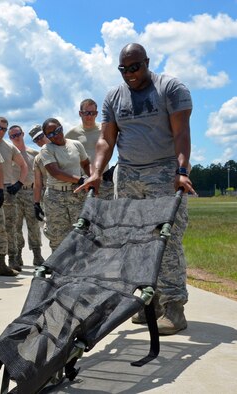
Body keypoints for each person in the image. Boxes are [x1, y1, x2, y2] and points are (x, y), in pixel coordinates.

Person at [76, 43, 195, 335]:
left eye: (135, 67)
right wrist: (96, 173)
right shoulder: (114, 97)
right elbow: (106, 140)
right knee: (133, 242)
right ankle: (148, 303)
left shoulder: (170, 88)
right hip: (128, 173)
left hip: (164, 171)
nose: (130, 74)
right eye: (123, 69)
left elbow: (181, 132)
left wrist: (181, 171)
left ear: (147, 62)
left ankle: (173, 308)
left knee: (165, 240)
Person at [39, 118, 90, 252]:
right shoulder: (47, 149)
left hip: (77, 195)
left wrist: (91, 179)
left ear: (61, 127)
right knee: (57, 235)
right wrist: (80, 180)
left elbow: (85, 163)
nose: (55, 135)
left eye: (57, 130)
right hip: (55, 197)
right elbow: (55, 172)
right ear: (47, 136)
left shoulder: (76, 144)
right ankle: (58, 269)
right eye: (50, 134)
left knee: (80, 232)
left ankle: (79, 269)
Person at [0, 117, 27, 276]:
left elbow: (24, 165)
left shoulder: (10, 148)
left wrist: (19, 183)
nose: (2, 131)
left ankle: (11, 260)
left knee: (10, 227)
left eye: (5, 129)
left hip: (7, 189)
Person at [8, 125, 45, 268]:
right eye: (12, 136)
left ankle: (37, 254)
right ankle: (17, 255)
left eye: (17, 134)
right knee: (15, 226)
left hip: (31, 191)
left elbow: (40, 176)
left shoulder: (34, 153)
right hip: (15, 193)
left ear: (22, 134)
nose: (16, 138)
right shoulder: (9, 153)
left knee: (34, 225)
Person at [65, 99, 114, 199]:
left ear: (97, 114)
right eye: (86, 113)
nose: (89, 116)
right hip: (84, 182)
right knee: (85, 213)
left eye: (93, 113)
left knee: (106, 212)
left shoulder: (104, 129)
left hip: (104, 180)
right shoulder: (72, 134)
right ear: (80, 113)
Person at [30, 127, 51, 247]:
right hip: (50, 197)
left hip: (72, 194)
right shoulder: (38, 158)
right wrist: (36, 204)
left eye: (40, 136)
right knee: (51, 230)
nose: (39, 141)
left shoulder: (65, 148)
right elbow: (37, 184)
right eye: (35, 140)